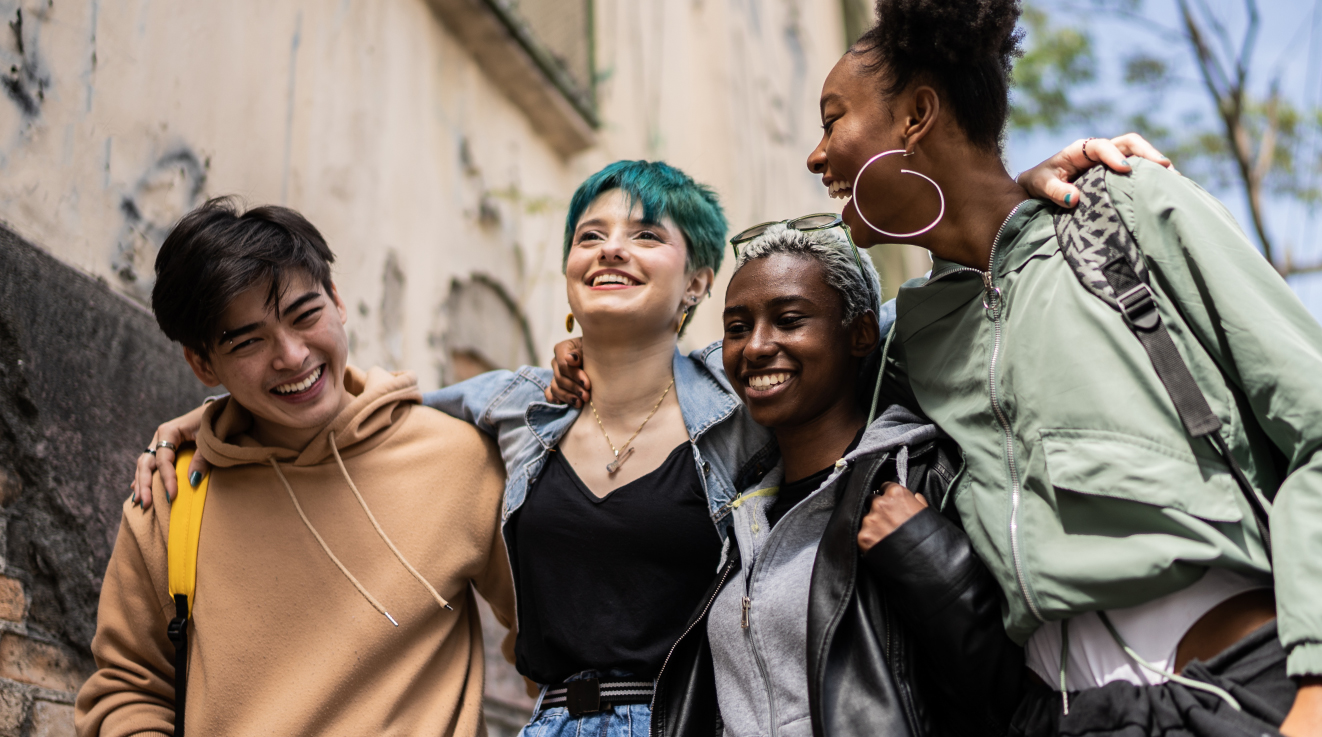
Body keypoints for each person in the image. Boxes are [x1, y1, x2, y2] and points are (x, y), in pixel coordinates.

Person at [129, 146, 1165, 736]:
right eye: (590, 232)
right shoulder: (509, 408)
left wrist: (1010, 201)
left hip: (696, 723)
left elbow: (892, 327)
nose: (611, 247)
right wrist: (206, 414)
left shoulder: (753, 390)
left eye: (646, 233)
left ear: (700, 279)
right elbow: (345, 408)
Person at [803, 2, 1322, 737]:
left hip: (1248, 691)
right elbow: (772, 395)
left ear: (917, 114)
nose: (815, 156)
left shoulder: (1126, 209)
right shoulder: (915, 338)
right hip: (1064, 717)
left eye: (831, 120)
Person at [75, 199, 516, 736]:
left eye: (305, 316)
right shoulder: (173, 496)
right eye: (248, 341)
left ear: (337, 300)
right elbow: (128, 689)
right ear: (202, 363)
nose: (291, 355)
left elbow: (559, 647)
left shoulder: (457, 458)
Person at [699, 221, 1024, 736]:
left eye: (788, 320)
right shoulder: (735, 515)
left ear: (862, 333)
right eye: (737, 328)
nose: (756, 346)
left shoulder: (926, 475)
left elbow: (1009, 691)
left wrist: (926, 554)